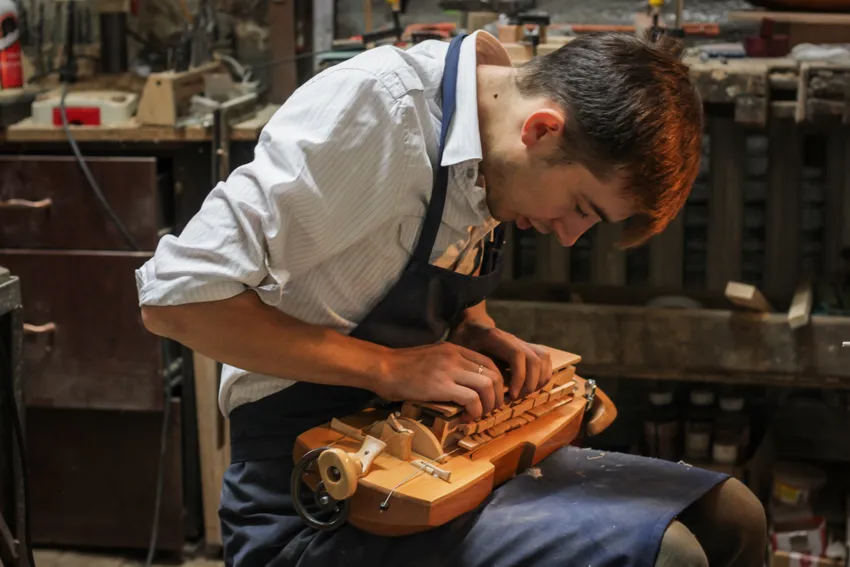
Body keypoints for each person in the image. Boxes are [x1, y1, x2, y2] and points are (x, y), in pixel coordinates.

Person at [136, 29, 766, 567]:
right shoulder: (379, 114)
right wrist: (390, 367)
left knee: (733, 516)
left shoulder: (491, 130)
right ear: (542, 130)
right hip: (311, 496)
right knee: (669, 555)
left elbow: (403, 260)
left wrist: (471, 328)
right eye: (581, 207)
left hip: (431, 451)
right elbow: (175, 298)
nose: (571, 235)